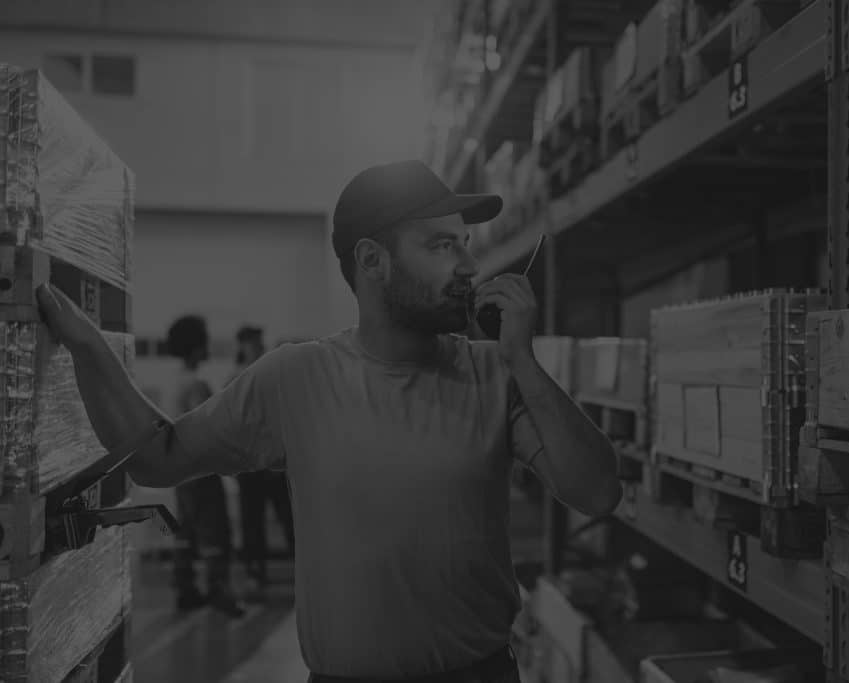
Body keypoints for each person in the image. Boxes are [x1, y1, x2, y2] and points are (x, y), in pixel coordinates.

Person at [35, 159, 622, 683]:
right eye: (442, 245)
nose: (470, 263)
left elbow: (596, 491)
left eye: (465, 243)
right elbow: (158, 458)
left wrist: (524, 360)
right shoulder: (295, 379)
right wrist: (87, 348)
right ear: (373, 261)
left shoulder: (494, 373)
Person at [165, 314, 246, 618]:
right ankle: (218, 589)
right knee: (216, 532)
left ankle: (185, 589)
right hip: (201, 470)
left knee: (186, 532)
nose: (208, 347)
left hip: (181, 473)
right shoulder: (196, 385)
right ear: (195, 347)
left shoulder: (176, 381)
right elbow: (209, 426)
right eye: (204, 341)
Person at [229, 325, 295, 600]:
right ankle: (255, 573)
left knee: (289, 519)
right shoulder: (235, 379)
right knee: (251, 522)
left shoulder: (272, 374)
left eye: (257, 342)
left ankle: (302, 569)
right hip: (249, 467)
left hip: (275, 465)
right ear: (242, 345)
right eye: (250, 343)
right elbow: (232, 424)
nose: (255, 347)